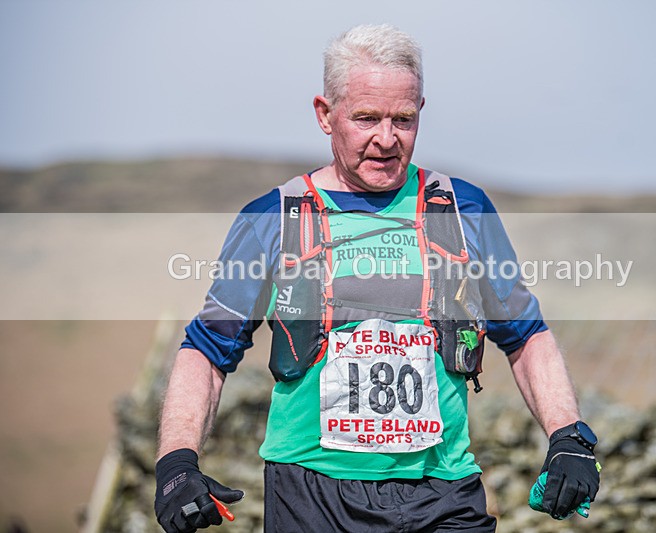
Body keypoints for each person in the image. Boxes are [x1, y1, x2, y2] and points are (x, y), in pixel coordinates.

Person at [154, 24, 600, 533]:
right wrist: (176, 463)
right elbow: (207, 351)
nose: (385, 139)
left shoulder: (464, 209)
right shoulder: (273, 218)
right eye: (366, 118)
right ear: (325, 115)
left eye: (403, 120)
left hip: (444, 492)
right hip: (311, 494)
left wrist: (569, 436)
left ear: (420, 113)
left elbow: (526, 335)